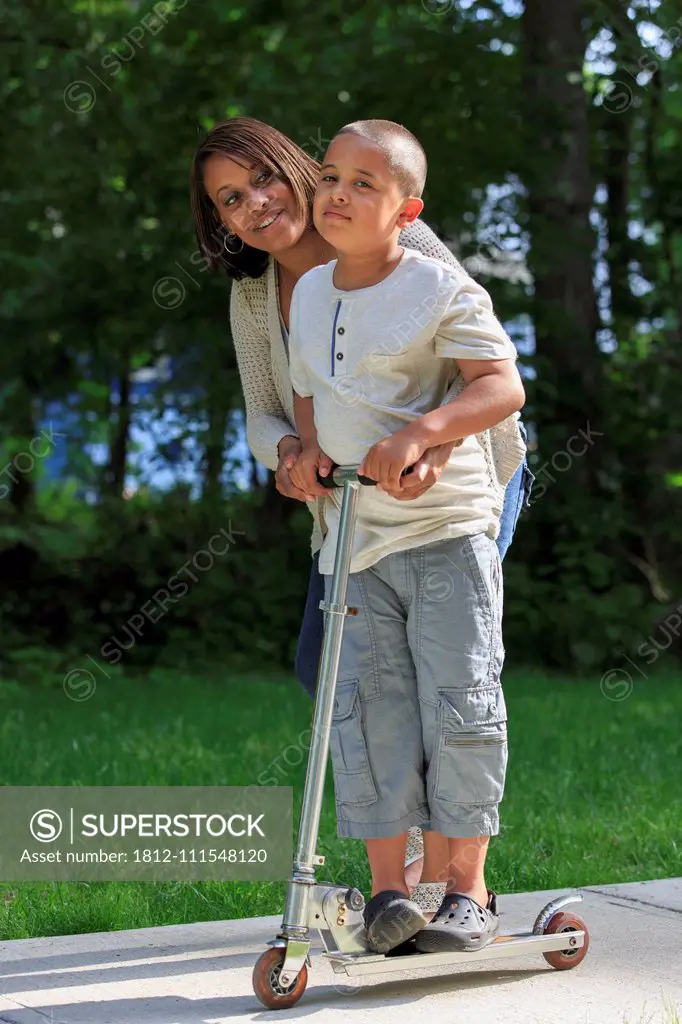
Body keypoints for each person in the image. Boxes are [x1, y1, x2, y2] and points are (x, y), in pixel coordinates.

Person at [189, 116, 531, 924]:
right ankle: (406, 867)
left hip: (460, 479)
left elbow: (477, 367)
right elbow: (267, 411)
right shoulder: (258, 297)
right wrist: (285, 456)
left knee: (446, 672)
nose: (254, 205)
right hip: (351, 505)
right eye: (229, 201)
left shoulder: (402, 244)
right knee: (332, 668)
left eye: (262, 179)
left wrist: (433, 446)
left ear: (298, 169)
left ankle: (459, 888)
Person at [286, 119, 525, 956]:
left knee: (457, 702)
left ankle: (467, 891)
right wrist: (308, 453)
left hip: (444, 532)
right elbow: (308, 389)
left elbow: (499, 386)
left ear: (405, 209)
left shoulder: (438, 287)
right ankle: (391, 893)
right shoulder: (311, 291)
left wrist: (422, 434)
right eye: (329, 177)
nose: (338, 194)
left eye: (364, 183)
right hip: (352, 540)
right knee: (366, 712)